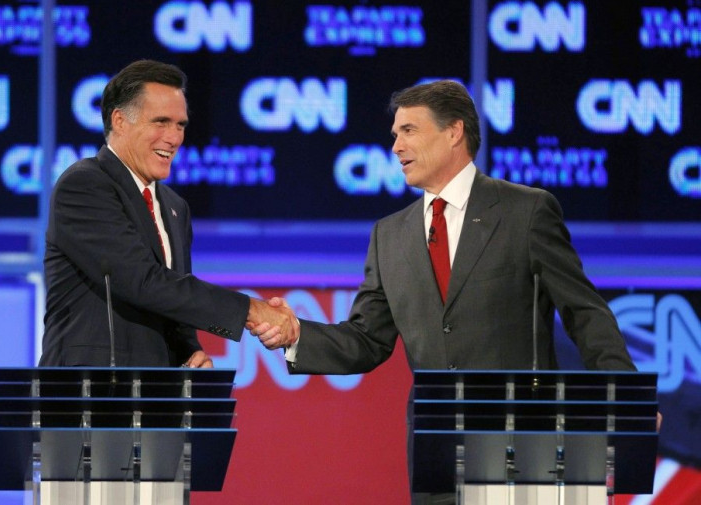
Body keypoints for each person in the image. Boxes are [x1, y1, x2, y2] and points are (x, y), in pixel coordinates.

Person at [251, 80, 640, 503]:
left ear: (454, 132)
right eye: (395, 135)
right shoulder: (389, 235)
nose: (396, 146)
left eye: (409, 131)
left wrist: (627, 399)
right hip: (437, 452)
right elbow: (366, 340)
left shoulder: (525, 211)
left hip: (523, 444)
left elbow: (585, 312)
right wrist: (296, 335)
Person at [40, 59, 297, 368]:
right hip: (90, 397)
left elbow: (172, 299)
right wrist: (250, 310)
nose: (174, 138)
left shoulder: (175, 207)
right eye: (161, 122)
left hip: (153, 400)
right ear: (119, 121)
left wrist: (189, 352)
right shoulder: (84, 185)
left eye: (180, 125)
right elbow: (141, 281)